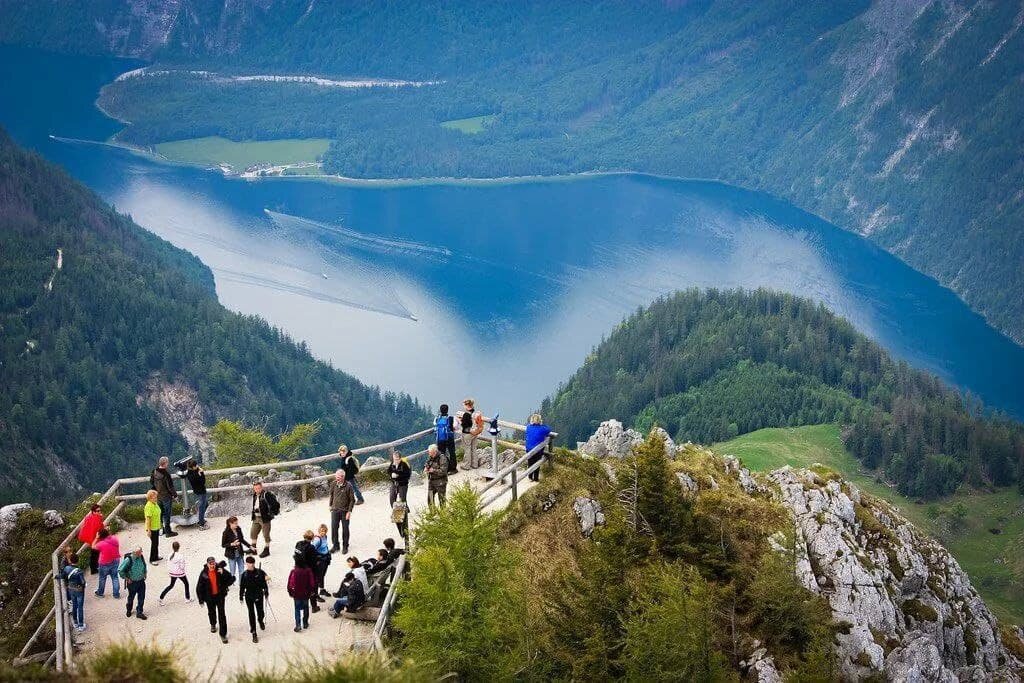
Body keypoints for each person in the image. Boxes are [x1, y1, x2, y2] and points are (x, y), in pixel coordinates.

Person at [196, 557, 235, 643]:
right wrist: (201, 600)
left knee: (222, 615)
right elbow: (199, 587)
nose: (212, 565)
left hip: (220, 596)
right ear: (207, 564)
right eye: (210, 564)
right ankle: (213, 624)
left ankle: (223, 634)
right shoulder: (203, 574)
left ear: (215, 563)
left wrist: (223, 573)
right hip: (209, 597)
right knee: (211, 612)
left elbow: (232, 579)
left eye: (213, 563)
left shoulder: (220, 570)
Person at [238, 556, 269, 643]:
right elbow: (242, 587)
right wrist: (241, 596)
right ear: (246, 564)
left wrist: (266, 591)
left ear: (254, 564)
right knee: (251, 614)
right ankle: (254, 632)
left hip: (259, 595)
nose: (250, 565)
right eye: (249, 563)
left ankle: (260, 620)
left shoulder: (260, 572)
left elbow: (264, 583)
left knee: (260, 612)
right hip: (249, 596)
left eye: (252, 563)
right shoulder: (244, 574)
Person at [149, 457, 178, 537]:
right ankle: (168, 532)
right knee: (167, 514)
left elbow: (151, 482)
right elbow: (170, 487)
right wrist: (175, 495)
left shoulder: (154, 471)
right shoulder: (166, 474)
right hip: (166, 496)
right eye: (167, 463)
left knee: (160, 513)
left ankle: (162, 530)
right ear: (165, 463)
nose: (168, 464)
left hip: (158, 496)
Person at [250, 480, 279, 558]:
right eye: (255, 489)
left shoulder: (267, 495)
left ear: (261, 487)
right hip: (256, 517)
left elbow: (275, 504)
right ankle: (253, 549)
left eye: (258, 488)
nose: (257, 490)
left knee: (266, 534)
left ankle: (267, 549)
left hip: (264, 518)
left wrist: (270, 513)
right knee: (253, 532)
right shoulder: (254, 495)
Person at [328, 470, 355, 554]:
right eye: (336, 477)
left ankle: (345, 546)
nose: (337, 479)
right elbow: (331, 495)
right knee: (334, 528)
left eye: (339, 477)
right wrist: (330, 505)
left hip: (345, 511)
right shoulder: (333, 484)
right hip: (335, 510)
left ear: (343, 477)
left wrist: (349, 512)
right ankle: (335, 545)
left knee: (345, 529)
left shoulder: (349, 486)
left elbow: (352, 500)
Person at [287, 556, 316, 633]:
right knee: (306, 608)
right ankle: (305, 623)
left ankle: (298, 625)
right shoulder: (308, 571)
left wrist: (290, 592)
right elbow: (312, 583)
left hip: (296, 594)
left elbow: (290, 583)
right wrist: (312, 591)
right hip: (306, 594)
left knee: (297, 609)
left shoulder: (293, 571)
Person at [118, 546, 148, 619]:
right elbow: (120, 570)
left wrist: (145, 573)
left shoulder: (141, 557)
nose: (141, 553)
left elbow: (144, 565)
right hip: (132, 583)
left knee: (141, 597)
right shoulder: (129, 560)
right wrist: (126, 578)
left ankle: (139, 612)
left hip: (141, 581)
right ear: (135, 553)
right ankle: (129, 610)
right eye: (139, 552)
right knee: (131, 597)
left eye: (141, 552)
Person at [387, 451, 411, 540]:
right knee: (393, 501)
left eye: (397, 459)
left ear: (400, 458)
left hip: (402, 484)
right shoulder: (392, 464)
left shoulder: (404, 465)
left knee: (402, 500)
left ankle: (404, 508)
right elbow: (388, 472)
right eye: (394, 459)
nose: (395, 460)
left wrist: (397, 475)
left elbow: (407, 475)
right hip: (394, 484)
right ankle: (398, 509)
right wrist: (392, 475)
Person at [92, 528, 121, 599]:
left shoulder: (101, 544)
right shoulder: (114, 538)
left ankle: (100, 593)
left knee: (102, 578)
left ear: (100, 535)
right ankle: (116, 594)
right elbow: (110, 535)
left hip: (104, 563)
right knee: (115, 577)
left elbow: (93, 546)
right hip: (116, 560)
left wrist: (96, 538)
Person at [525, 413, 553, 482]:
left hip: (528, 449)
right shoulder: (542, 429)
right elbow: (549, 429)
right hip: (538, 450)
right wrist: (542, 424)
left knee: (530, 462)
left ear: (531, 420)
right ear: (540, 420)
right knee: (537, 462)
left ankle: (530, 477)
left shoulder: (528, 427)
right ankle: (536, 478)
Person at [78, 504, 105, 574]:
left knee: (94, 554)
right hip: (95, 538)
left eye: (100, 510)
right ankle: (95, 569)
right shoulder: (96, 518)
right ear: (93, 511)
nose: (99, 512)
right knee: (95, 554)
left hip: (92, 538)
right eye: (97, 511)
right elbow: (99, 528)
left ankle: (94, 569)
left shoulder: (89, 517)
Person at [459, 398, 485, 469]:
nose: (463, 406)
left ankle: (466, 465)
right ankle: (475, 464)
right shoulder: (474, 412)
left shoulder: (466, 414)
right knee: (474, 448)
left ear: (467, 405)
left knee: (467, 449)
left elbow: (464, 425)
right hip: (475, 433)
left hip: (467, 434)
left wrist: (460, 421)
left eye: (464, 405)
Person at [185, 459, 209, 530]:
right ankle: (201, 523)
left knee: (206, 504)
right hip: (201, 491)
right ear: (193, 467)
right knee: (202, 506)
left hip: (197, 491)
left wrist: (198, 471)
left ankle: (200, 518)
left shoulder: (190, 472)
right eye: (196, 465)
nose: (197, 466)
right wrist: (202, 473)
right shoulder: (195, 474)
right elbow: (203, 481)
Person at [63, 562, 87, 631]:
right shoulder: (79, 570)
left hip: (71, 589)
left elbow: (63, 577)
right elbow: (83, 582)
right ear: (78, 561)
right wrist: (84, 586)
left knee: (74, 605)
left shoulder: (66, 568)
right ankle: (81, 625)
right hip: (79, 591)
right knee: (80, 607)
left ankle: (75, 623)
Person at [435, 404, 458, 473]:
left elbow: (435, 427)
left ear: (440, 410)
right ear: (447, 410)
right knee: (452, 453)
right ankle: (453, 469)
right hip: (449, 438)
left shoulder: (437, 419)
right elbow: (455, 427)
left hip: (440, 439)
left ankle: (443, 469)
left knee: (442, 454)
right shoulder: (451, 418)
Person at [424, 444, 449, 509]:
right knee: (430, 498)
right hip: (431, 481)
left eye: (431, 453)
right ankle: (432, 514)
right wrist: (426, 467)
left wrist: (433, 470)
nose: (429, 454)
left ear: (435, 451)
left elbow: (443, 471)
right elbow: (427, 463)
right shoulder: (431, 456)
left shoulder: (442, 458)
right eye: (429, 453)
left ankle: (443, 516)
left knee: (441, 499)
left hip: (441, 481)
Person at [312, 524, 332, 599]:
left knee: (322, 575)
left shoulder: (325, 537)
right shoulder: (317, 539)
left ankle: (322, 590)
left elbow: (325, 546)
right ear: (319, 531)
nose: (322, 532)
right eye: (321, 531)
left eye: (324, 531)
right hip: (320, 560)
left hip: (325, 558)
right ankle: (316, 595)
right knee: (318, 577)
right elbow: (312, 549)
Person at [143, 490, 162, 564]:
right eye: (154, 498)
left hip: (156, 526)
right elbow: (148, 519)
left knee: (156, 543)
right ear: (149, 498)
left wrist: (160, 525)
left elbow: (158, 514)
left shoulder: (155, 504)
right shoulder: (149, 506)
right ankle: (152, 559)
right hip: (152, 528)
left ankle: (156, 556)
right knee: (154, 544)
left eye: (156, 497)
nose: (156, 499)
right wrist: (148, 530)